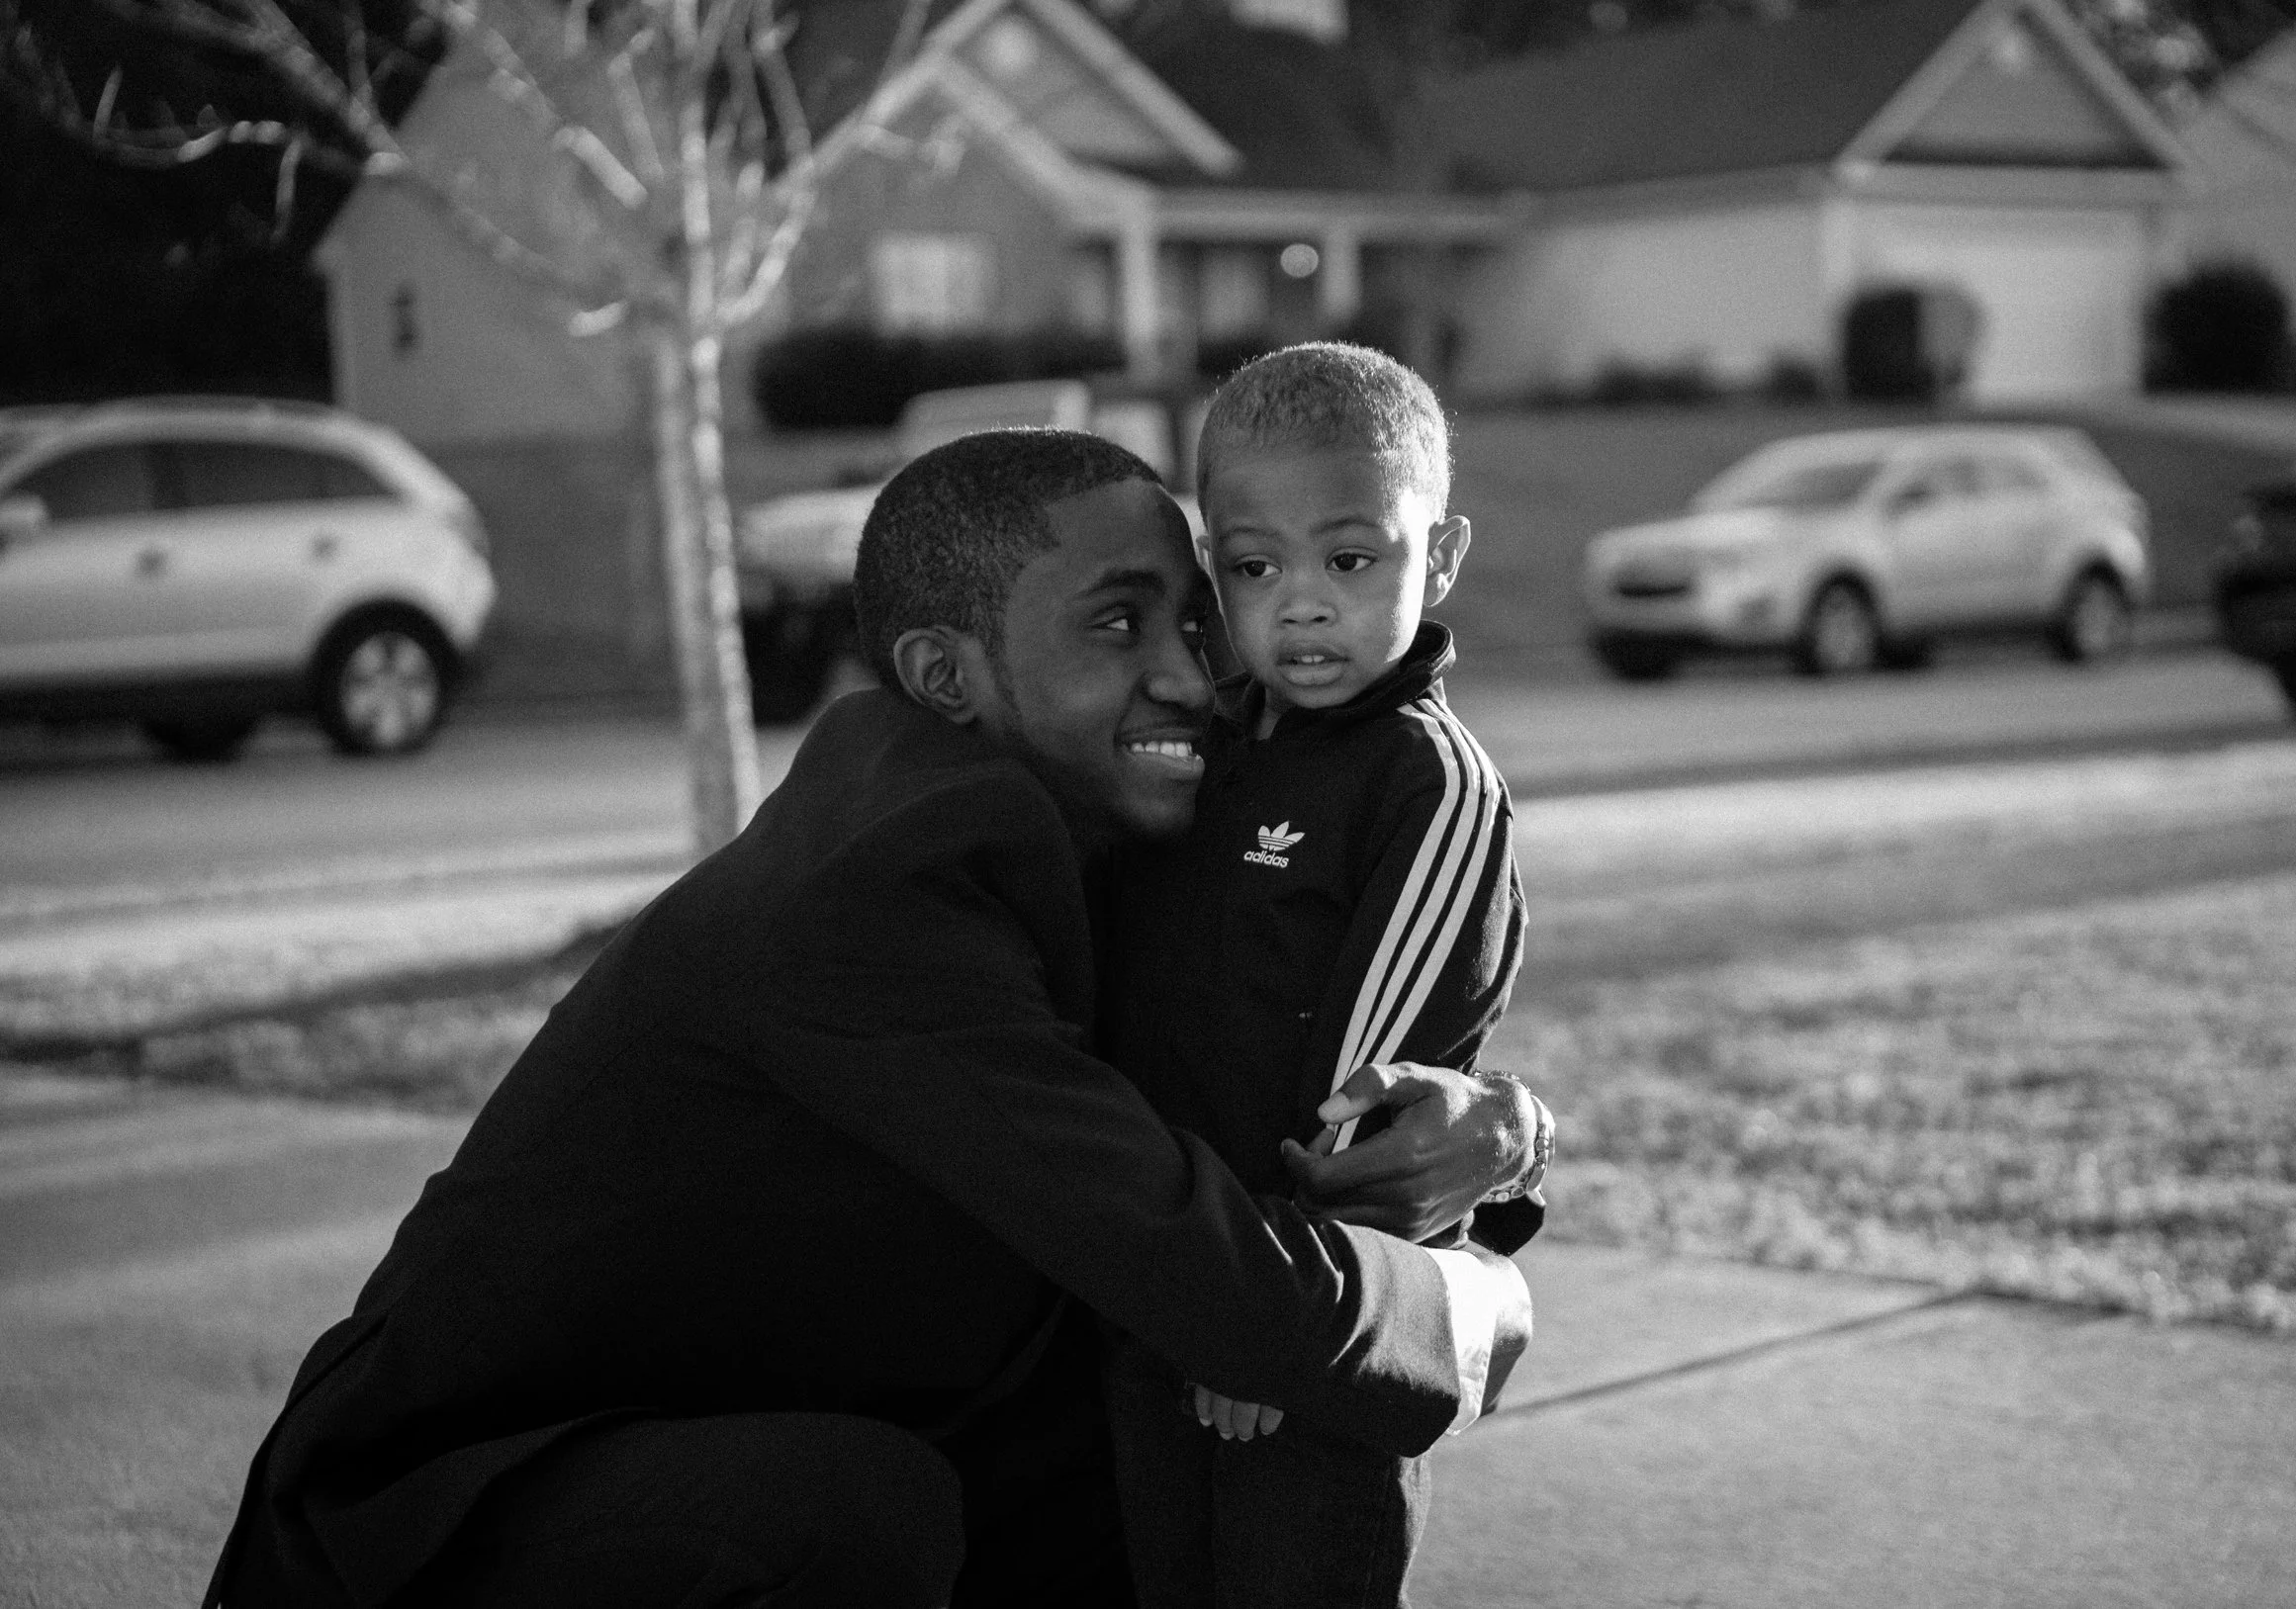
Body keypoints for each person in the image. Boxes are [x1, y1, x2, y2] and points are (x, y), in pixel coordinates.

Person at [202, 428, 1551, 1609]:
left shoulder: (1098, 825)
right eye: (1117, 624)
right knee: (849, 1511)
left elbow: (1251, 1100)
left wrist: (1509, 1137)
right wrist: (1483, 1300)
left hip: (735, 1425)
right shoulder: (882, 897)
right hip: (431, 1530)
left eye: (1199, 620)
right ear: (945, 672)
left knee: (1119, 1454)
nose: (1195, 676)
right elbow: (1218, 1277)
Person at [1100, 344, 1537, 1609]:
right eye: (1254, 566)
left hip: (1305, 1326)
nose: (1300, 603)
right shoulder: (1204, 742)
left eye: (1351, 560)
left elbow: (1368, 1100)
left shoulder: (1429, 785)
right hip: (1162, 1290)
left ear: (1439, 555)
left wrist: (1278, 1326)